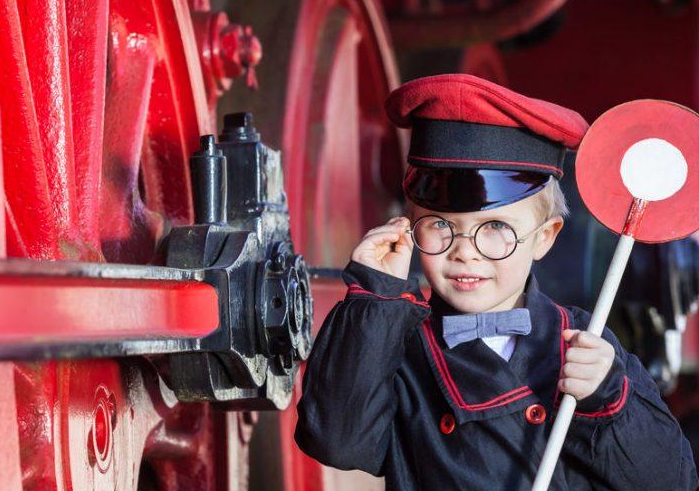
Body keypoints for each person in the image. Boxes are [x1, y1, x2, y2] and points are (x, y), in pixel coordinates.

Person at [294, 74, 698, 490]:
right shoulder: (398, 346)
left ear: (545, 237)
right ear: (408, 227)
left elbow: (672, 482)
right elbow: (336, 443)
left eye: (495, 227)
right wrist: (375, 296)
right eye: (439, 224)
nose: (465, 251)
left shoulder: (586, 343)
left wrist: (607, 399)